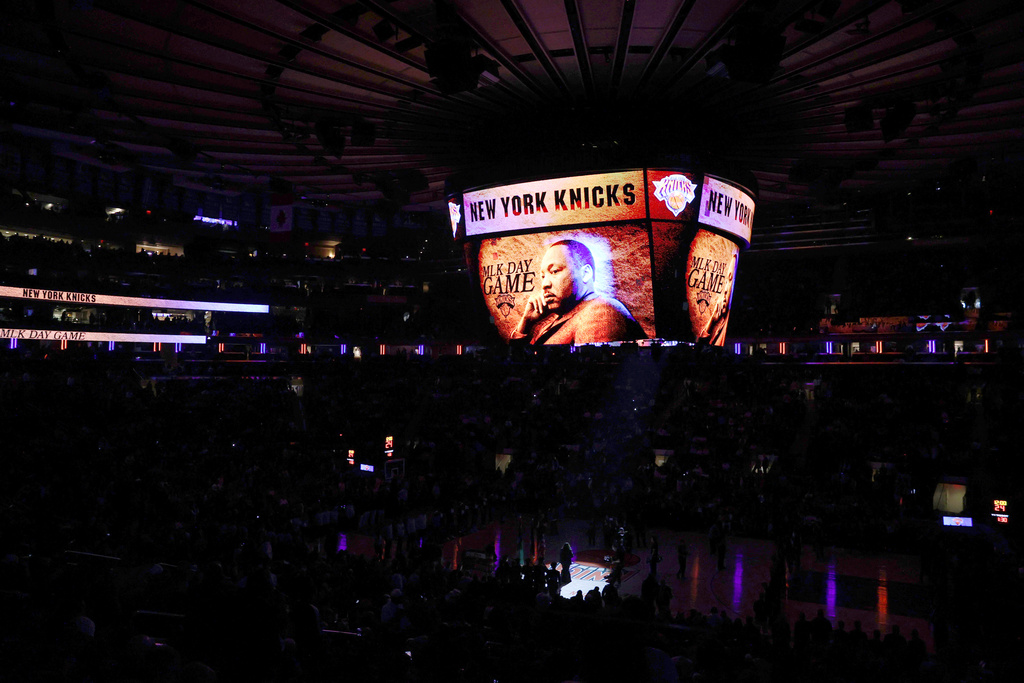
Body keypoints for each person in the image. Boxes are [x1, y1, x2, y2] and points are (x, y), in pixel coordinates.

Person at [511, 240, 645, 345]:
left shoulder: (600, 312)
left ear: (586, 273)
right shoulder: (565, 315)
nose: (545, 284)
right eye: (543, 276)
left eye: (555, 271)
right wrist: (525, 323)